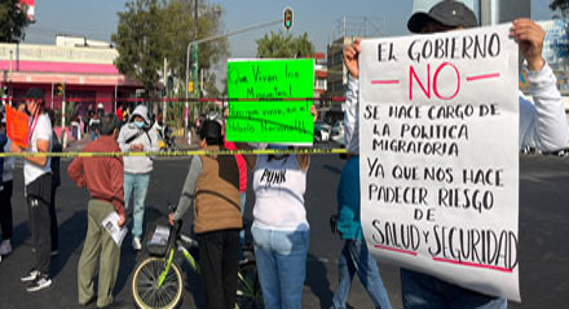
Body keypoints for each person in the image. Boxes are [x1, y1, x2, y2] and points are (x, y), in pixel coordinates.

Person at [343, 1, 570, 309]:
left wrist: (536, 64)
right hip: (420, 270)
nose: (432, 41)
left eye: (442, 33)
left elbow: (555, 137)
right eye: (426, 34)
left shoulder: (496, 97)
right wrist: (357, 81)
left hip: (478, 280)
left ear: (470, 42)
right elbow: (357, 145)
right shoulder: (407, 96)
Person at [235, 106, 318, 309]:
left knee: (290, 303)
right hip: (262, 237)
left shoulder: (298, 158)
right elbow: (240, 143)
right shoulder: (262, 156)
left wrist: (310, 122)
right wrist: (233, 120)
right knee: (270, 302)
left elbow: (304, 148)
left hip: (290, 237)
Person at [169, 120, 242, 309]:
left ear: (203, 141)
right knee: (229, 283)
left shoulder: (200, 158)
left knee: (213, 285)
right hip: (233, 226)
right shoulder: (231, 156)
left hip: (211, 229)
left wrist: (176, 215)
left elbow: (187, 192)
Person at [68, 114, 126, 309]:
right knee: (109, 253)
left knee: (89, 250)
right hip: (110, 205)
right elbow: (117, 187)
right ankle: (104, 298)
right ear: (115, 131)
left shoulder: (89, 148)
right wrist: (122, 212)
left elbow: (72, 170)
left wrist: (85, 182)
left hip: (93, 203)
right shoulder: (114, 151)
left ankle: (84, 294)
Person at [331, 156, 392, 309]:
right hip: (366, 227)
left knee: (371, 278)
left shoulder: (352, 167)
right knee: (345, 265)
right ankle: (337, 304)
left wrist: (340, 223)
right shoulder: (370, 164)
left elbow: (349, 203)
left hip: (356, 231)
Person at [10, 88, 54, 292]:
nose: (27, 105)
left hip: (40, 180)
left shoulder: (43, 124)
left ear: (37, 103)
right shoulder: (34, 120)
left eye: (29, 102)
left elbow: (43, 158)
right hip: (31, 180)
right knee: (34, 229)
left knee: (41, 230)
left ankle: (45, 274)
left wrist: (21, 153)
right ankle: (39, 267)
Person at [118, 105, 159, 251]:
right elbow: (118, 147)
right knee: (122, 204)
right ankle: (117, 232)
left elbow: (156, 152)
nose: (138, 120)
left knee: (139, 206)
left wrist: (144, 149)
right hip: (127, 171)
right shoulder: (125, 129)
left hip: (143, 173)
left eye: (141, 118)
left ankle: (136, 235)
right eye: (136, 118)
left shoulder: (152, 132)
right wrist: (130, 148)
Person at [0, 115, 16, 260]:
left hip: (5, 181)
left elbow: (11, 164)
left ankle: (7, 240)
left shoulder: (9, 142)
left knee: (5, 210)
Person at [47, 109, 62, 256]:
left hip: (51, 178)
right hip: (50, 177)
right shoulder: (49, 134)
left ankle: (52, 245)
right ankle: (47, 244)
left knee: (48, 212)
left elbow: (58, 148)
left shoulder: (51, 135)